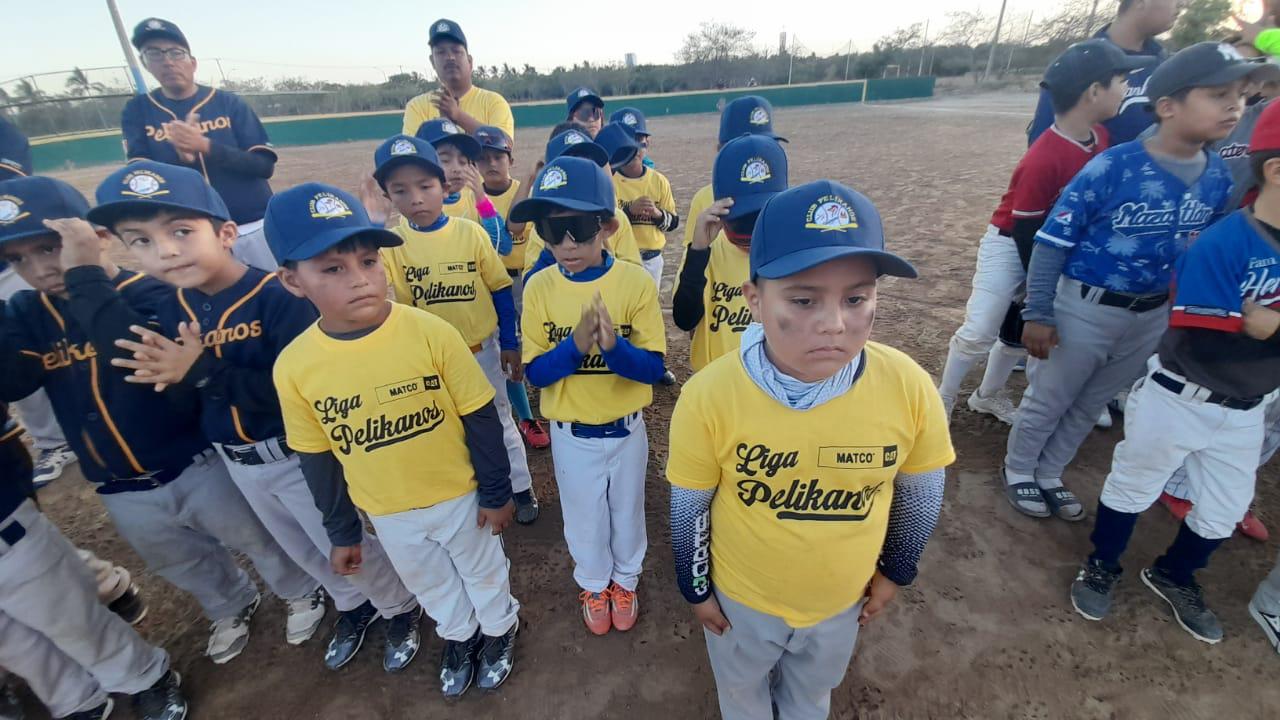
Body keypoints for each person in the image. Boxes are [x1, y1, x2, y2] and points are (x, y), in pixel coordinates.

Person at [94, 161, 424, 673]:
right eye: (140, 241)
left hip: (294, 453)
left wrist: (203, 371)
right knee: (299, 548)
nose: (165, 251)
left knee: (341, 539)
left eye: (181, 232)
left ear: (226, 232)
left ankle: (398, 608)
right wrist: (183, 379)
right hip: (238, 460)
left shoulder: (277, 296)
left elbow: (296, 392)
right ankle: (355, 607)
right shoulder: (175, 305)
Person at [0, 174, 317, 665]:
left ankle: (298, 589)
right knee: (178, 558)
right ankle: (230, 604)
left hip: (191, 457)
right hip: (114, 478)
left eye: (50, 248)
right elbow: (13, 382)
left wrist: (85, 276)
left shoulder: (148, 293)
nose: (40, 269)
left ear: (93, 239)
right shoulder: (26, 311)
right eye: (18, 260)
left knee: (255, 536)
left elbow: (134, 352)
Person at [667, 180, 952, 720]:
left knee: (810, 697)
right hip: (742, 602)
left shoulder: (909, 387)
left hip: (841, 602)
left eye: (856, 297)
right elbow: (689, 507)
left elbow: (920, 491)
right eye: (803, 299)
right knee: (742, 694)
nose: (834, 323)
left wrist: (897, 570)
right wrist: (696, 587)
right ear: (755, 299)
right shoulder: (709, 395)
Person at [269, 182, 521, 697]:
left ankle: (499, 628)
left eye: (368, 261)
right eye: (333, 269)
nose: (360, 280)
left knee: (484, 570)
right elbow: (317, 458)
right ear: (293, 281)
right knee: (430, 581)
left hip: (459, 494)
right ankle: (459, 633)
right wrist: (342, 531)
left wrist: (497, 493)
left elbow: (480, 417)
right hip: (387, 509)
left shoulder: (430, 332)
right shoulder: (295, 366)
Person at [1003, 42, 1247, 522]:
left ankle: (1051, 472)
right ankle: (1019, 470)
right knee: (1050, 397)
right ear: (1167, 106)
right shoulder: (1114, 166)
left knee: (1093, 401)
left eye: (1239, 95)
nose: (1235, 105)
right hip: (1085, 307)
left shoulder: (1219, 176)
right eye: (1218, 94)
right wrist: (1038, 311)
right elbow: (1052, 241)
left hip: (1150, 313)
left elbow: (1206, 251)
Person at [1069, 98, 1280, 644]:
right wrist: (1250, 322)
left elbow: (1264, 325)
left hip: (1247, 407)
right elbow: (1218, 324)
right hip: (1181, 394)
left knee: (1225, 508)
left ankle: (1174, 574)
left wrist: (1265, 320)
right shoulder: (1227, 240)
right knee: (1134, 484)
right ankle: (1102, 564)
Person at [937, 41, 1151, 424]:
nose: (1126, 90)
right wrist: (1039, 283)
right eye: (1121, 81)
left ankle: (987, 396)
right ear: (1094, 91)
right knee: (980, 329)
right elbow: (1024, 225)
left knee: (1020, 332)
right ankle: (943, 400)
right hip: (1012, 242)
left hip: (1055, 247)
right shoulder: (1044, 155)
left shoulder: (1100, 138)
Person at [511, 156, 667, 635]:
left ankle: (625, 580)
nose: (566, 244)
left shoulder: (633, 281)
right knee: (583, 517)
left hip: (625, 429)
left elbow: (654, 367)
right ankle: (595, 583)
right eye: (551, 231)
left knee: (626, 510)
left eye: (578, 228)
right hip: (572, 434)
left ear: (608, 226)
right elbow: (536, 373)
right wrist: (577, 346)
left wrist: (612, 347)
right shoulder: (539, 286)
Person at [372, 135, 539, 524]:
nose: (415, 198)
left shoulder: (470, 232)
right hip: (432, 358)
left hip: (482, 350)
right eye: (400, 190)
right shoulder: (393, 246)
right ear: (387, 196)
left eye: (425, 186)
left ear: (444, 187)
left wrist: (510, 343)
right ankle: (481, 488)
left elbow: (500, 289)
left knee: (500, 419)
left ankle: (521, 487)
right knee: (453, 429)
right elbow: (389, 301)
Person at [0, 404, 187, 720]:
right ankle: (75, 700)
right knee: (14, 646)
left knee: (71, 619)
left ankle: (144, 676)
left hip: (8, 531)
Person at [121, 18, 278, 272]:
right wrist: (178, 160)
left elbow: (263, 165)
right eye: (154, 53)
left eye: (175, 52)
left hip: (251, 225)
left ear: (192, 63)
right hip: (187, 234)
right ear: (145, 63)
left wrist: (205, 146)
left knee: (278, 295)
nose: (168, 61)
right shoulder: (137, 110)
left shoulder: (229, 103)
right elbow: (138, 174)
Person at [0, 117, 76, 487]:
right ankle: (53, 441)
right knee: (14, 354)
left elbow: (12, 179)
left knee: (50, 344)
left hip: (14, 249)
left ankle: (65, 436)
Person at [672, 134, 788, 373]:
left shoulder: (791, 252)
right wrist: (698, 251)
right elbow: (685, 319)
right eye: (742, 219)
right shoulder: (706, 252)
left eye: (760, 218)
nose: (750, 233)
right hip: (716, 381)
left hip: (773, 380)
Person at [473, 125, 550, 450]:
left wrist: (530, 180)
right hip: (493, 284)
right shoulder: (471, 199)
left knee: (537, 337)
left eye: (498, 156)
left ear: (510, 159)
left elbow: (517, 225)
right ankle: (525, 415)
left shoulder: (525, 190)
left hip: (527, 278)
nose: (491, 163)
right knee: (507, 348)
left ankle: (544, 397)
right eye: (483, 158)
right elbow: (503, 239)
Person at [1027, 0, 1181, 146]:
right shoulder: (1077, 63)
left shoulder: (1166, 63)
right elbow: (1043, 144)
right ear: (1140, 2)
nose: (1183, 4)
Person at [521, 125, 644, 279]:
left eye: (587, 164)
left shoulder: (615, 217)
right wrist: (551, 241)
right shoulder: (544, 226)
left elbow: (634, 275)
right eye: (569, 163)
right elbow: (530, 283)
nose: (579, 173)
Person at [684, 96, 787, 253]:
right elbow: (693, 252)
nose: (756, 152)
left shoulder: (785, 198)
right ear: (720, 149)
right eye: (740, 147)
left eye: (767, 144)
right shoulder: (704, 201)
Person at [595, 123, 680, 289]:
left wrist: (657, 214)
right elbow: (606, 224)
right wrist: (629, 211)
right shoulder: (609, 180)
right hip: (620, 257)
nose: (633, 147)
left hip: (652, 257)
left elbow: (674, 223)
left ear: (647, 142)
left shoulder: (658, 181)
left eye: (638, 140)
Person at [402, 19, 515, 138]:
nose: (450, 57)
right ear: (432, 62)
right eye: (441, 52)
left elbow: (504, 144)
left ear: (470, 61)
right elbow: (414, 153)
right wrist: (443, 124)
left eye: (456, 51)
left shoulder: (493, 102)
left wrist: (458, 116)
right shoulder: (417, 107)